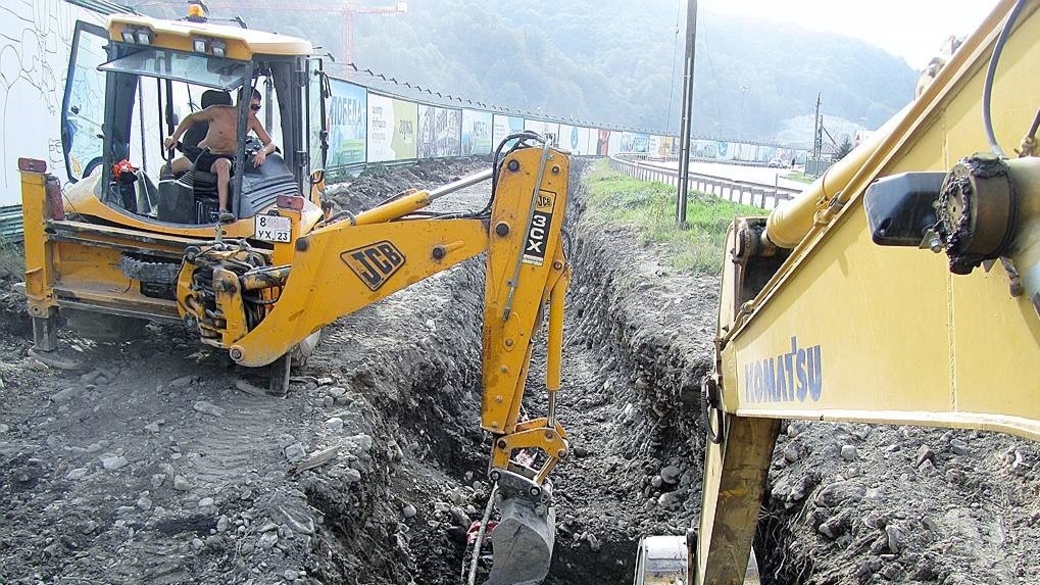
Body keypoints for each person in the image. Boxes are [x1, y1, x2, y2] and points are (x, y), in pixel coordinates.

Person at [163, 87, 275, 223]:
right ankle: (161, 205)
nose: (255, 111)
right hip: (201, 155)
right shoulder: (218, 112)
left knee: (223, 166)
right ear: (242, 102)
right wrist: (174, 137)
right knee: (167, 168)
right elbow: (191, 118)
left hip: (222, 158)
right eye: (253, 107)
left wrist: (263, 151)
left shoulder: (252, 121)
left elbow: (270, 143)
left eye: (258, 107)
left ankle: (222, 210)